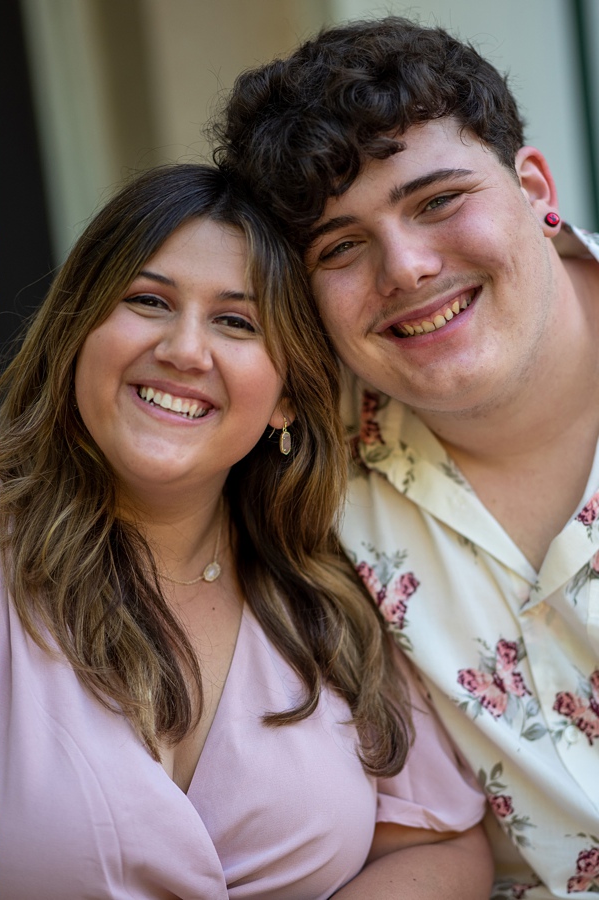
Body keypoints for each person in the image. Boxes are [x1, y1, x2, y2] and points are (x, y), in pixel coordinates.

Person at [0, 162, 491, 898]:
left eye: (236, 321)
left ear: (286, 398)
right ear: (78, 332)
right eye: (147, 301)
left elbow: (438, 843)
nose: (185, 350)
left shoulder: (334, 595)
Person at [213, 16, 599, 899]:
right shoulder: (297, 467)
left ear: (535, 187)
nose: (408, 268)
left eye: (438, 201)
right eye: (341, 248)